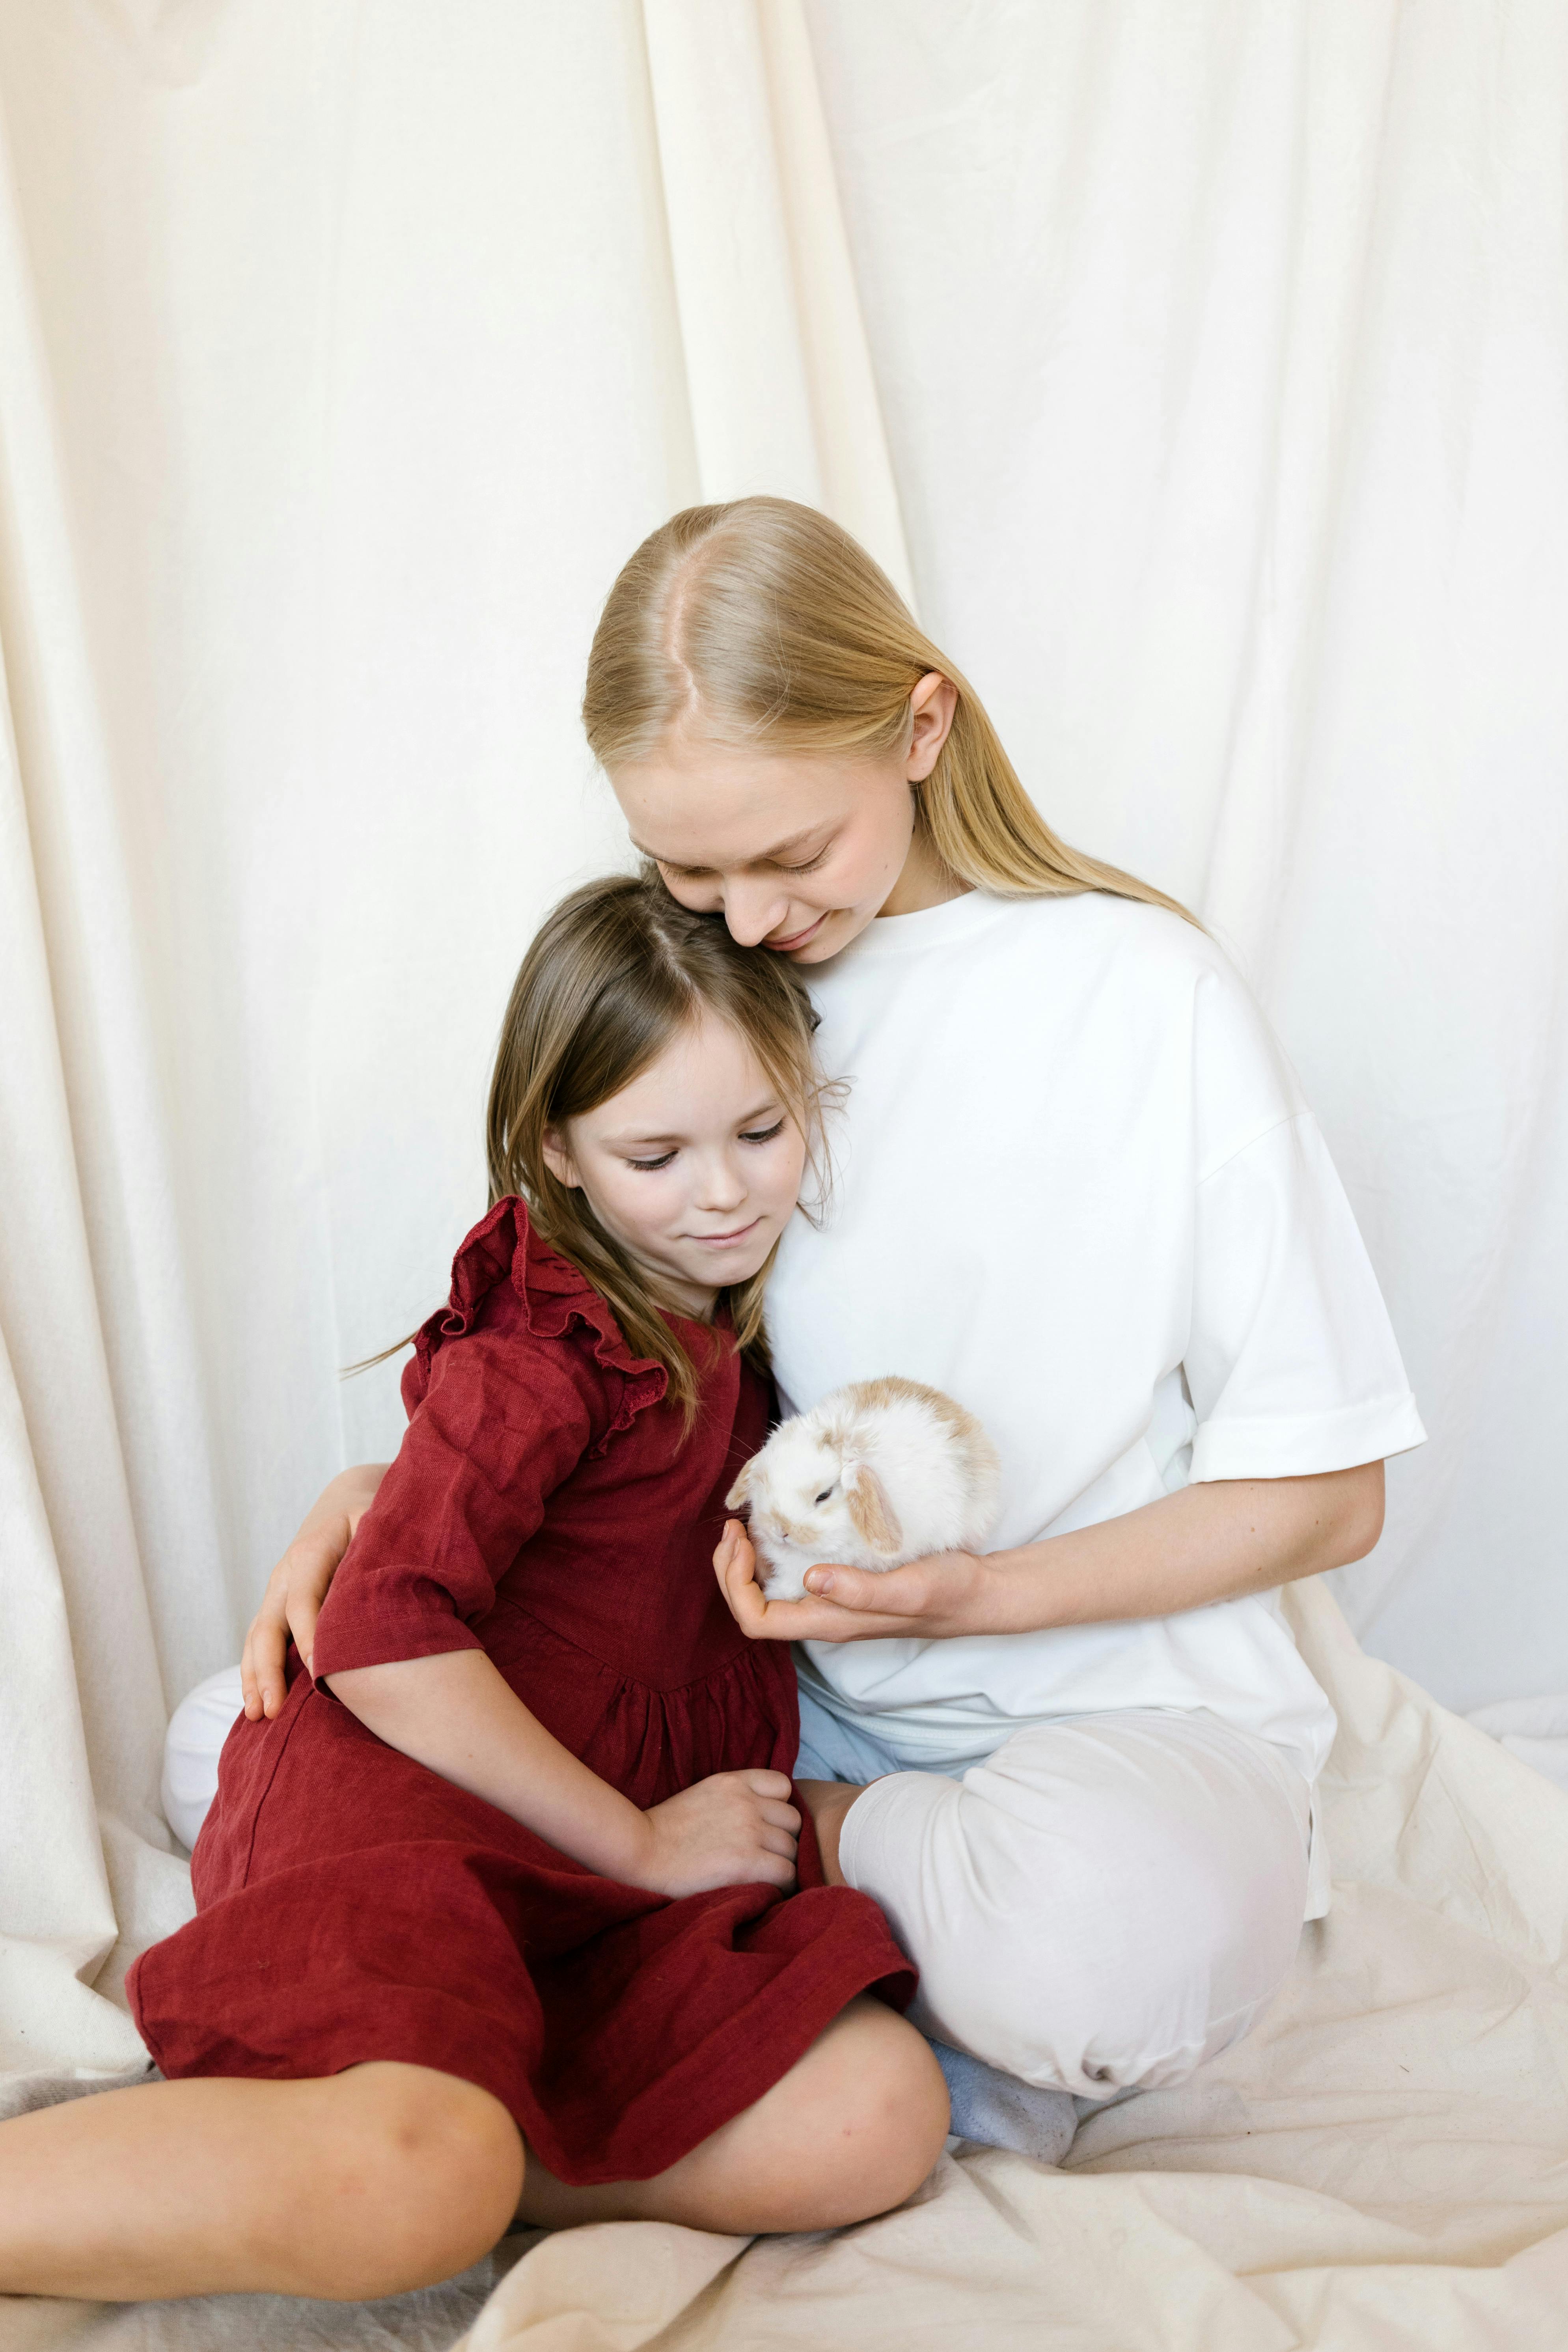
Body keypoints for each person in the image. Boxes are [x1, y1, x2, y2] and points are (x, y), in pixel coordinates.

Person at [248, 496, 1425, 2148]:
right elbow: (574, 1350)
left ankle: (812, 1861)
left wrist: (976, 1598)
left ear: (918, 725)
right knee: (238, 1749)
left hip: (1100, 1720)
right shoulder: (716, 989)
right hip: (732, 1695)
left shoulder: (1141, 997)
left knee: (1098, 1955)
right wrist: (375, 1502)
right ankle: (705, 1955)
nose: (738, 918)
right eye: (683, 865)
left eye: (789, 855)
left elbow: (1327, 1492)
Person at [0, 873, 947, 2306]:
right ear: (556, 1152)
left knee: (879, 2113)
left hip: (582, 1861)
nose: (723, 1191)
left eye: (761, 1132)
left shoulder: (730, 1322)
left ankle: (453, 2145)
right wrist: (637, 1847)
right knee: (416, 2186)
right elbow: (383, 1635)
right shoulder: (548, 1345)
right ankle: (400, 2159)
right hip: (417, 1822)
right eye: (655, 1155)